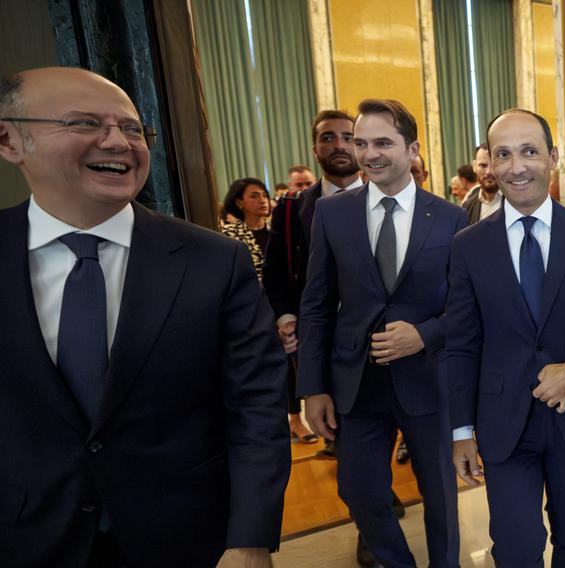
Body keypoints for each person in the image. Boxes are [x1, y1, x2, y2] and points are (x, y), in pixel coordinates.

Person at [0, 67, 289, 567]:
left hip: (187, 537)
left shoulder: (213, 261)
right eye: (85, 123)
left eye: (133, 128)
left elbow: (256, 407)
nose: (118, 142)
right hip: (26, 536)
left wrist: (250, 539)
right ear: (10, 140)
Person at [299, 98, 466, 567]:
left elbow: (467, 308)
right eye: (361, 142)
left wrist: (426, 334)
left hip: (427, 379)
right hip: (357, 382)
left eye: (383, 143)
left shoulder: (452, 218)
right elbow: (315, 305)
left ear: (411, 148)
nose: (369, 153)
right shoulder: (333, 215)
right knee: (360, 491)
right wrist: (312, 386)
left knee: (440, 497)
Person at [447, 109, 565, 567]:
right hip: (502, 423)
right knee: (515, 548)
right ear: (490, 165)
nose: (517, 166)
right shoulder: (469, 245)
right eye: (504, 155)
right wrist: (461, 431)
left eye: (529, 151)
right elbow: (461, 343)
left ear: (552, 158)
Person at [262, 114, 361, 455]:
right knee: (342, 435)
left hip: (381, 339)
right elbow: (273, 273)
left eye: (348, 137)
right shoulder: (291, 209)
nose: (339, 145)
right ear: (315, 147)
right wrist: (284, 316)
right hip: (322, 340)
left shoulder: (388, 201)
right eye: (328, 138)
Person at [220, 177, 271, 280]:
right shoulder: (229, 233)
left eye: (265, 196)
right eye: (254, 196)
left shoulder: (276, 228)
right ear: (239, 203)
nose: (262, 200)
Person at [463, 143, 502, 224]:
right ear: (474, 167)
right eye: (483, 166)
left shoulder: (515, 202)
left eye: (494, 165)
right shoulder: (468, 206)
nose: (489, 172)